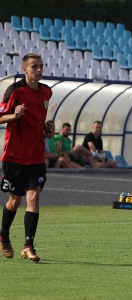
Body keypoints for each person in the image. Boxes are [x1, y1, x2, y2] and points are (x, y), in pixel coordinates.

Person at [0, 53, 53, 262]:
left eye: (41, 66)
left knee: (33, 197)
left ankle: (28, 246)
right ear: (25, 69)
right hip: (14, 157)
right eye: (34, 67)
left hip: (36, 157)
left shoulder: (47, 92)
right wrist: (14, 115)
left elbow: (41, 120)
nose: (39, 70)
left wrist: (47, 129)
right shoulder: (15, 91)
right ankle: (3, 234)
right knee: (15, 200)